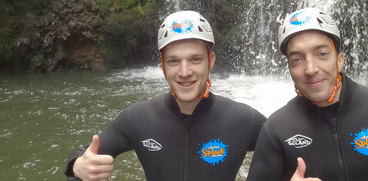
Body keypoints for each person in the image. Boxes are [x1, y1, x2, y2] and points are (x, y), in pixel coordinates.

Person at [65, 10, 266, 181]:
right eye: (173, 61)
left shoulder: (244, 119)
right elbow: (84, 153)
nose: (185, 71)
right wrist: (78, 166)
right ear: (162, 65)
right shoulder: (137, 118)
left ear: (210, 60)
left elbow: (289, 154)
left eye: (195, 59)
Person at [246, 8, 368, 181]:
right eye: (297, 59)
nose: (310, 69)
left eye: (322, 54)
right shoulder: (275, 129)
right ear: (289, 68)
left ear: (339, 61)